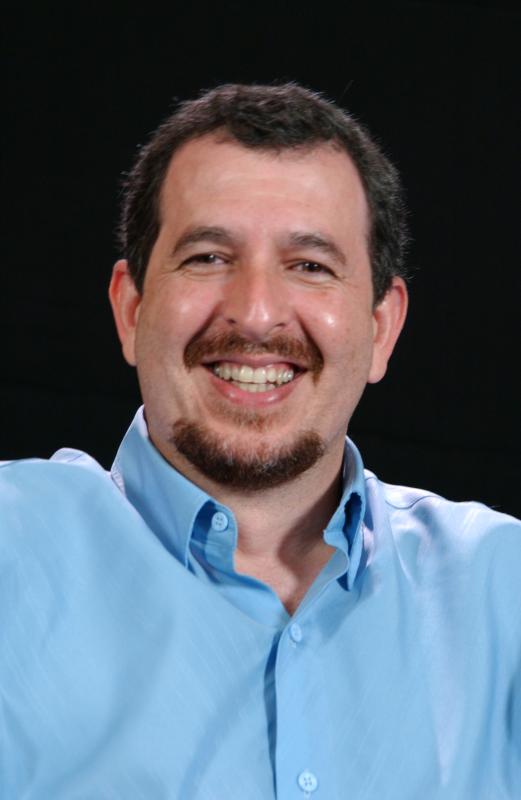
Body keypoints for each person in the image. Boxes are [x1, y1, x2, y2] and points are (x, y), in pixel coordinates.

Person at [1, 83, 519, 800]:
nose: (255, 313)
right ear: (131, 310)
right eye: (208, 257)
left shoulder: (503, 588)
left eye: (310, 266)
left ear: (382, 329)